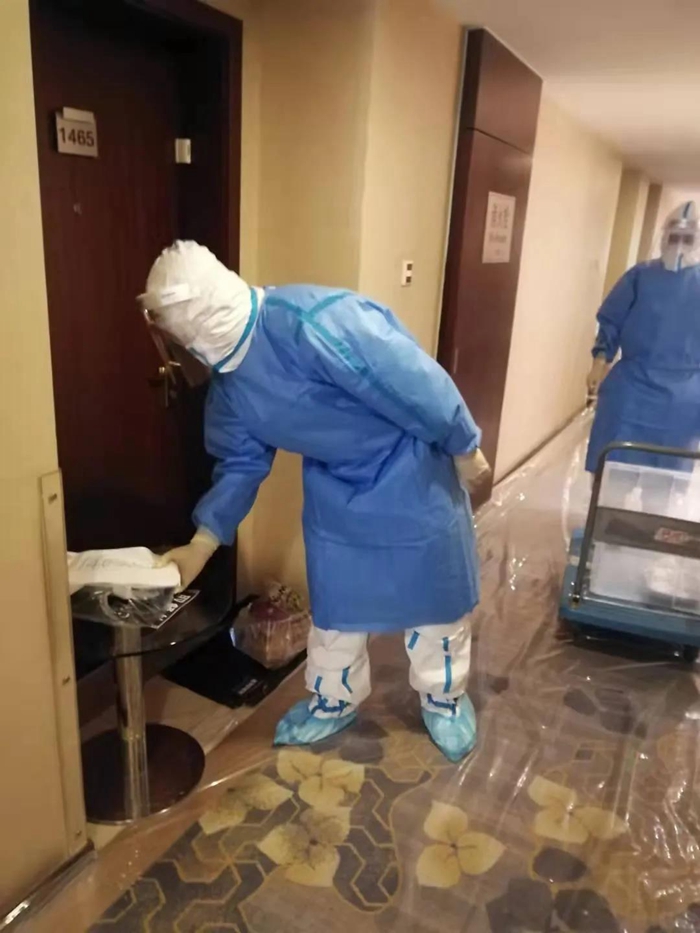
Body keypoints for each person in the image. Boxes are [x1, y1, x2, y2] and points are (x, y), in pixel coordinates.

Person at [139, 241, 489, 763]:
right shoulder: (230, 386)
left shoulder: (316, 321)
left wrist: (463, 445)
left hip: (411, 474)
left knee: (434, 601)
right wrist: (204, 540)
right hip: (335, 492)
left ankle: (444, 697)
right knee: (337, 611)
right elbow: (239, 463)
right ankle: (332, 701)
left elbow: (413, 383)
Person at [586, 201, 700, 509]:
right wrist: (599, 362)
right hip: (632, 388)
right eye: (674, 236)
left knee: (662, 483)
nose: (678, 245)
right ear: (663, 236)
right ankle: (606, 526)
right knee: (614, 473)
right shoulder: (640, 276)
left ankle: (649, 532)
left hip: (682, 399)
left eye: (686, 238)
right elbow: (611, 321)